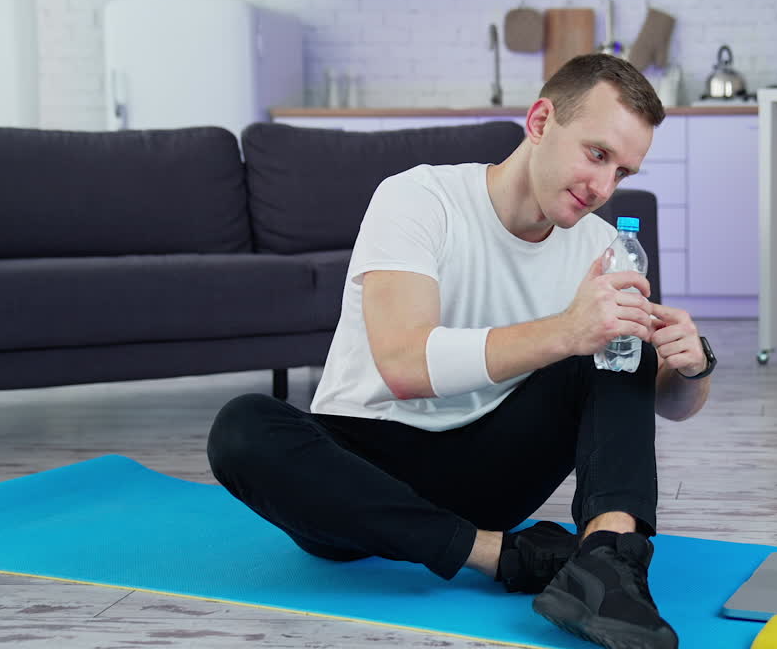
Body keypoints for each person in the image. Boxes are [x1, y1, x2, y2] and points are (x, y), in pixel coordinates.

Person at [206, 53, 716, 649]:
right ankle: (502, 557)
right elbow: (403, 366)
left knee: (610, 340)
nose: (603, 187)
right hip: (357, 474)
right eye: (596, 155)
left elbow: (660, 401)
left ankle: (607, 563)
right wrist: (568, 331)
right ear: (541, 120)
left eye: (623, 173)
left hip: (489, 476)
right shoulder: (418, 199)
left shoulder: (605, 247)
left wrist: (692, 365)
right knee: (242, 428)